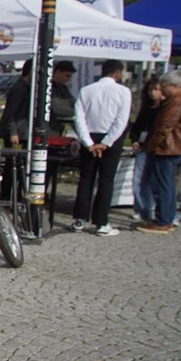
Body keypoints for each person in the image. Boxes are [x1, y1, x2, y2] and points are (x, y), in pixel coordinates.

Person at [70, 59, 131, 236]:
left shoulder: (86, 90)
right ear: (118, 73)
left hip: (90, 135)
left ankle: (79, 219)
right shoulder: (123, 91)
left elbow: (79, 118)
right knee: (106, 180)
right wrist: (106, 142)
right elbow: (121, 121)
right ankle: (101, 222)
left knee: (86, 178)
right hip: (110, 137)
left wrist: (88, 142)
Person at [137, 71, 181, 233]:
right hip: (174, 147)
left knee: (162, 186)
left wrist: (150, 145)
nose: (162, 90)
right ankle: (167, 218)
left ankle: (162, 220)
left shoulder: (177, 101)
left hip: (166, 149)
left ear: (174, 86)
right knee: (168, 185)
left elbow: (164, 127)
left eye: (164, 86)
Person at [128, 75, 163, 222]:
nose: (153, 93)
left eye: (156, 90)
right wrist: (135, 140)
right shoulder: (146, 109)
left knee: (153, 180)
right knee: (139, 179)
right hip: (142, 147)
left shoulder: (164, 109)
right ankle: (141, 208)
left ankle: (152, 208)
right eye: (150, 90)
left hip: (156, 148)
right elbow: (136, 127)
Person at [0, 59, 32, 148]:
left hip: (23, 131)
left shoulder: (27, 88)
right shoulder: (19, 89)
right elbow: (10, 113)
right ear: (30, 71)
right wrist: (13, 132)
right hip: (15, 133)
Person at [49, 59, 78, 136]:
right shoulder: (49, 87)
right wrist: (78, 111)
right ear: (58, 72)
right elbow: (56, 108)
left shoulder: (63, 88)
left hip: (59, 128)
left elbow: (72, 102)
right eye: (67, 76)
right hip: (50, 128)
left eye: (70, 77)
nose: (68, 79)